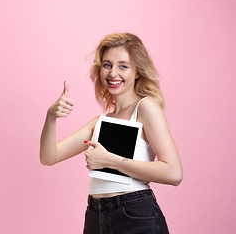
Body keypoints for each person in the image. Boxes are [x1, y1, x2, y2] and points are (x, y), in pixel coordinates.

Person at [39, 33, 182, 234]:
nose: (113, 73)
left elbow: (174, 173)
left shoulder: (146, 108)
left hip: (134, 214)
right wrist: (51, 117)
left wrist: (111, 161)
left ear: (137, 72)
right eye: (107, 65)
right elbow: (48, 157)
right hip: (95, 215)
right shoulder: (99, 123)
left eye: (123, 66)